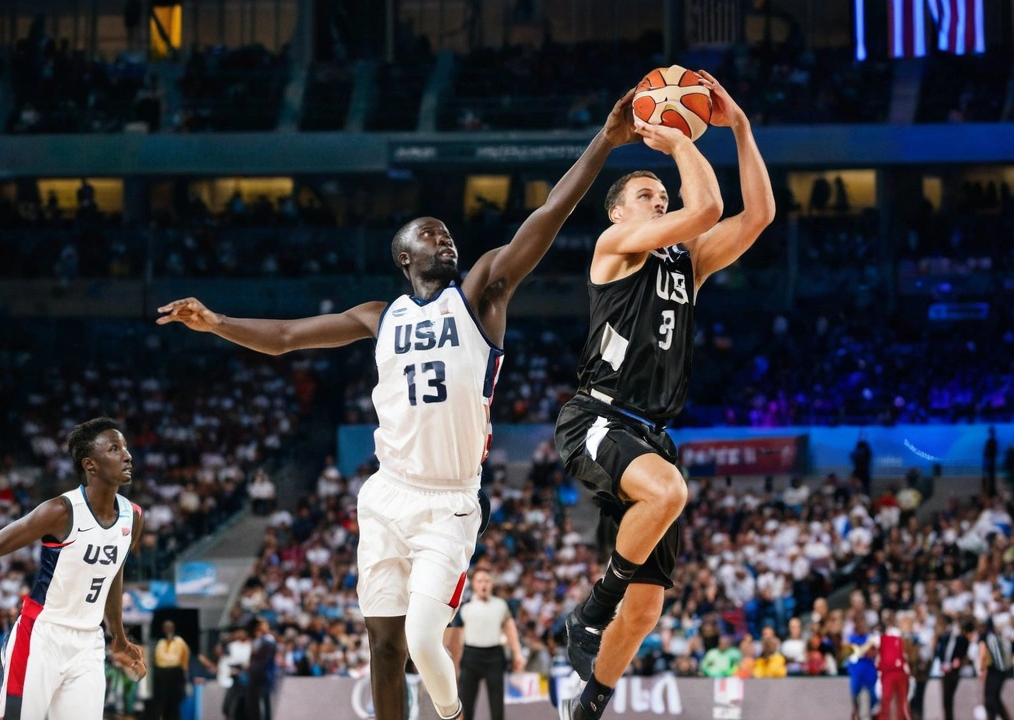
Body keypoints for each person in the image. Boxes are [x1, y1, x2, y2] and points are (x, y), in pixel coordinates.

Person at [156, 90, 638, 720]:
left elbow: (547, 213)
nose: (446, 240)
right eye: (430, 236)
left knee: (419, 638)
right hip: (388, 494)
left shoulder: (481, 294)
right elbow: (286, 338)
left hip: (451, 499)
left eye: (447, 234)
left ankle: (451, 713)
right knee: (382, 648)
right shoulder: (376, 316)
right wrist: (216, 321)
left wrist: (605, 139)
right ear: (405, 256)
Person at [553, 71, 773, 720]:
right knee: (671, 491)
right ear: (620, 212)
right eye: (647, 195)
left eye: (660, 196)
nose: (659, 201)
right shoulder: (614, 246)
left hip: (651, 432)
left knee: (646, 610)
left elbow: (755, 216)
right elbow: (704, 208)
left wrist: (742, 128)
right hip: (596, 415)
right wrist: (677, 139)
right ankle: (590, 609)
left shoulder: (687, 262)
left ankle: (589, 700)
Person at [0, 417, 146, 720]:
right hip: (41, 635)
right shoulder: (61, 511)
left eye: (125, 447)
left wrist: (117, 634)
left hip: (89, 643)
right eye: (115, 449)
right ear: (90, 465)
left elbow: (112, 573)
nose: (127, 455)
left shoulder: (133, 516)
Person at [449, 568, 525, 720]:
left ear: (492, 584)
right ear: (474, 585)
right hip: (470, 657)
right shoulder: (465, 607)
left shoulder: (501, 605)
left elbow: (510, 629)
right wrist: (454, 666)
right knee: (466, 704)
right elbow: (456, 639)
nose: (483, 584)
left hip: (494, 656)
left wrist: (517, 653)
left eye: (487, 580)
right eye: (479, 581)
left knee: (497, 705)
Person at [151, 620, 190, 720]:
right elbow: (158, 658)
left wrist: (185, 674)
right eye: (166, 627)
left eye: (170, 627)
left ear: (173, 628)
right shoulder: (160, 643)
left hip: (175, 674)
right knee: (161, 702)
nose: (168, 630)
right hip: (162, 674)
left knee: (174, 702)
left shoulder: (179, 641)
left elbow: (184, 657)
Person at [934, 615, 969, 720]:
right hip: (945, 669)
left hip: (955, 671)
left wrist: (959, 660)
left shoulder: (962, 640)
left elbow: (963, 653)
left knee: (951, 695)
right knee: (946, 698)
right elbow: (940, 652)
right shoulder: (945, 638)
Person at [245, 618, 277, 720]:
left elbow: (263, 660)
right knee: (253, 706)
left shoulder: (268, 640)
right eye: (263, 624)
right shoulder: (255, 640)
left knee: (263, 704)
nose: (266, 626)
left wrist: (251, 667)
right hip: (254, 678)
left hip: (263, 677)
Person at [979, 620, 1012, 720]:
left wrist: (981, 668)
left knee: (990, 699)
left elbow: (983, 653)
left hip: (994, 670)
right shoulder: (996, 636)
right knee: (995, 698)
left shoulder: (985, 636)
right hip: (1002, 671)